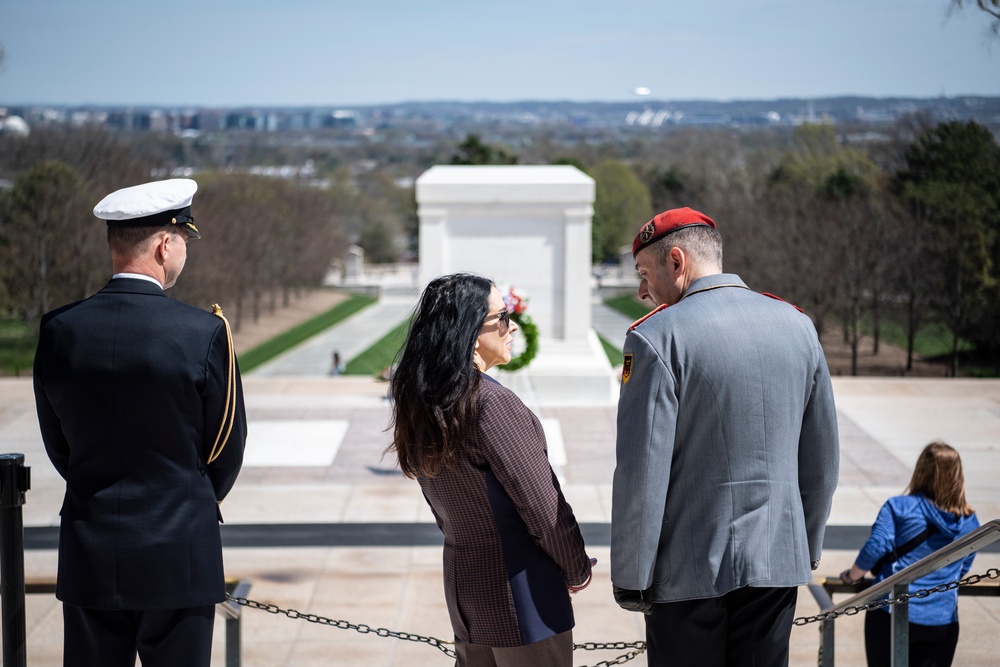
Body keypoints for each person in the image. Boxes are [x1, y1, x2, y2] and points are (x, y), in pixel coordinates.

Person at [610, 207, 840, 666]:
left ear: (676, 261)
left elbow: (641, 473)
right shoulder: (798, 326)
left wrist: (633, 577)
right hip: (776, 563)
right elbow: (821, 462)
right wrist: (802, 548)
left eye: (644, 273)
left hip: (686, 575)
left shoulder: (657, 337)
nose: (642, 291)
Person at [33, 178, 247, 667]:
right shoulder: (204, 333)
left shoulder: (59, 330)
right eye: (185, 242)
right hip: (180, 551)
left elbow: (59, 443)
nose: (184, 252)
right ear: (165, 244)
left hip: (92, 549)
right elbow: (226, 448)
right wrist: (185, 500)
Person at [387, 273, 593, 667]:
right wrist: (576, 567)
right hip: (522, 597)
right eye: (501, 317)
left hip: (467, 591)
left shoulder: (425, 403)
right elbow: (543, 508)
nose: (511, 325)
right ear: (469, 333)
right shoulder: (491, 404)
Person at [840, 441, 979, 667]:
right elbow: (963, 566)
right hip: (941, 618)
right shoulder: (969, 520)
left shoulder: (900, 507)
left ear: (921, 470)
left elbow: (876, 546)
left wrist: (853, 576)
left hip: (891, 611)